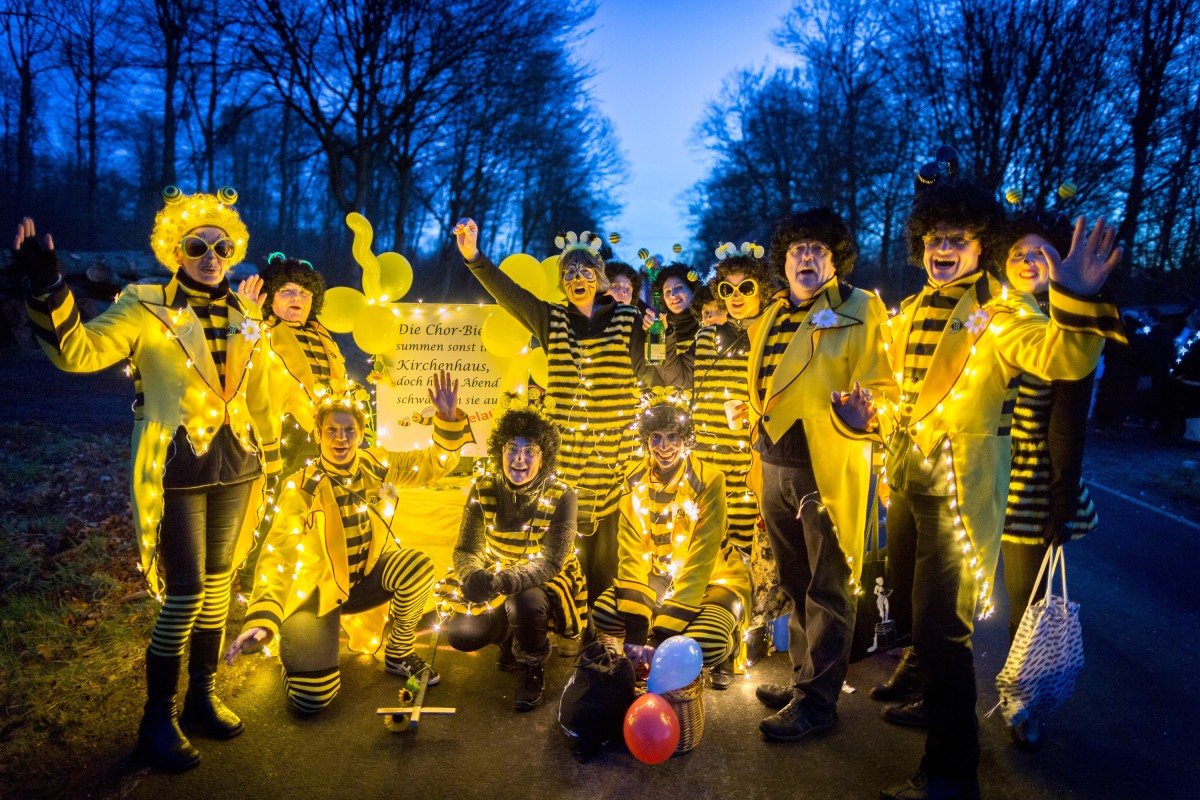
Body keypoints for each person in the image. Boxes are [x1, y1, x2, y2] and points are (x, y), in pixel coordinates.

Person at [874, 172, 1124, 800]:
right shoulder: (906, 314)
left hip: (963, 495)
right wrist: (863, 420)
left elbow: (1063, 360)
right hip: (909, 487)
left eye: (958, 236)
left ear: (981, 244)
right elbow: (893, 404)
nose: (943, 246)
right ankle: (941, 726)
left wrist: (1073, 299)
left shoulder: (997, 310)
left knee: (942, 631)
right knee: (917, 625)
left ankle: (952, 775)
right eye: (934, 236)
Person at [17, 188, 278, 771]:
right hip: (177, 468)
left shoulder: (243, 312)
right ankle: (155, 718)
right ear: (173, 249)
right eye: (197, 245)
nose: (210, 255)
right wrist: (46, 285)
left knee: (217, 587)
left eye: (222, 245)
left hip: (237, 467)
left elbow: (260, 395)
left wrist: (283, 445)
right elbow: (76, 352)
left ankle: (200, 698)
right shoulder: (144, 303)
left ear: (234, 252)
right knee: (184, 594)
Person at [455, 219, 654, 644]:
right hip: (566, 460)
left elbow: (650, 370)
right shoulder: (551, 320)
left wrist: (656, 334)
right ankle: (554, 627)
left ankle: (600, 643)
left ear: (600, 277)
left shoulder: (626, 318)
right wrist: (474, 257)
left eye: (585, 272)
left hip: (616, 458)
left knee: (608, 559)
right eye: (569, 274)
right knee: (566, 552)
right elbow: (510, 295)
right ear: (562, 284)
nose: (577, 279)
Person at [225, 372, 473, 713]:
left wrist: (446, 420)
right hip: (316, 597)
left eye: (349, 430)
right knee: (313, 699)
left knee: (416, 565)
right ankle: (296, 658)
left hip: (361, 584)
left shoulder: (375, 464)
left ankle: (398, 654)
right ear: (318, 434)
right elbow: (278, 555)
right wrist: (262, 619)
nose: (341, 438)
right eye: (332, 430)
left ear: (359, 434)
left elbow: (431, 465)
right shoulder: (302, 487)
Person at [742, 208, 896, 743]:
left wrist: (864, 416)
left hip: (822, 466)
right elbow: (767, 385)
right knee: (796, 582)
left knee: (828, 586)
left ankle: (818, 702)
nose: (806, 257)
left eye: (818, 250)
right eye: (796, 250)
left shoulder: (861, 309)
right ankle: (806, 679)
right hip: (772, 463)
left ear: (835, 261)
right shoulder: (768, 315)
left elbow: (884, 390)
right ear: (783, 262)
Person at [656, 242, 779, 686]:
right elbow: (681, 379)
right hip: (706, 467)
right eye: (727, 288)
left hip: (748, 463)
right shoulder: (708, 335)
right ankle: (710, 638)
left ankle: (737, 649)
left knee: (746, 558)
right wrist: (667, 335)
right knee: (708, 551)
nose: (737, 294)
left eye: (746, 286)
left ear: (761, 289)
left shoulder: (769, 334)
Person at [590, 398, 750, 677]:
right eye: (656, 437)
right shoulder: (633, 479)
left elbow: (701, 560)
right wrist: (637, 632)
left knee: (707, 644)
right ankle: (663, 630)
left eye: (673, 437)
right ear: (647, 439)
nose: (664, 447)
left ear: (686, 440)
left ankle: (730, 643)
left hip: (714, 580)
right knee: (603, 612)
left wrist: (659, 637)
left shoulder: (710, 480)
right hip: (661, 577)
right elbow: (630, 552)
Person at [440, 408, 585, 711]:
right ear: (500, 451)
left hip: (543, 580)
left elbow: (550, 563)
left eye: (529, 450)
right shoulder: (483, 487)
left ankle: (531, 665)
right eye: (512, 448)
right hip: (495, 569)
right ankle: (510, 639)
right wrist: (472, 576)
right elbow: (466, 549)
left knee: (526, 603)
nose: (519, 459)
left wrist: (500, 582)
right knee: (461, 634)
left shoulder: (562, 495)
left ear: (544, 456)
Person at [235, 253, 364, 593]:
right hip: (280, 433)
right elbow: (234, 345)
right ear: (271, 298)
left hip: (324, 436)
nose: (297, 299)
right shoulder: (260, 328)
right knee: (272, 504)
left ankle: (308, 571)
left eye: (305, 294)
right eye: (288, 291)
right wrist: (244, 311)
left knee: (316, 505)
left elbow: (336, 380)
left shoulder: (322, 335)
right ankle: (253, 577)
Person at [652, 262, 702, 355]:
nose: (673, 294)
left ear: (692, 289)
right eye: (667, 291)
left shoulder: (710, 322)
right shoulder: (660, 332)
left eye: (679, 287)